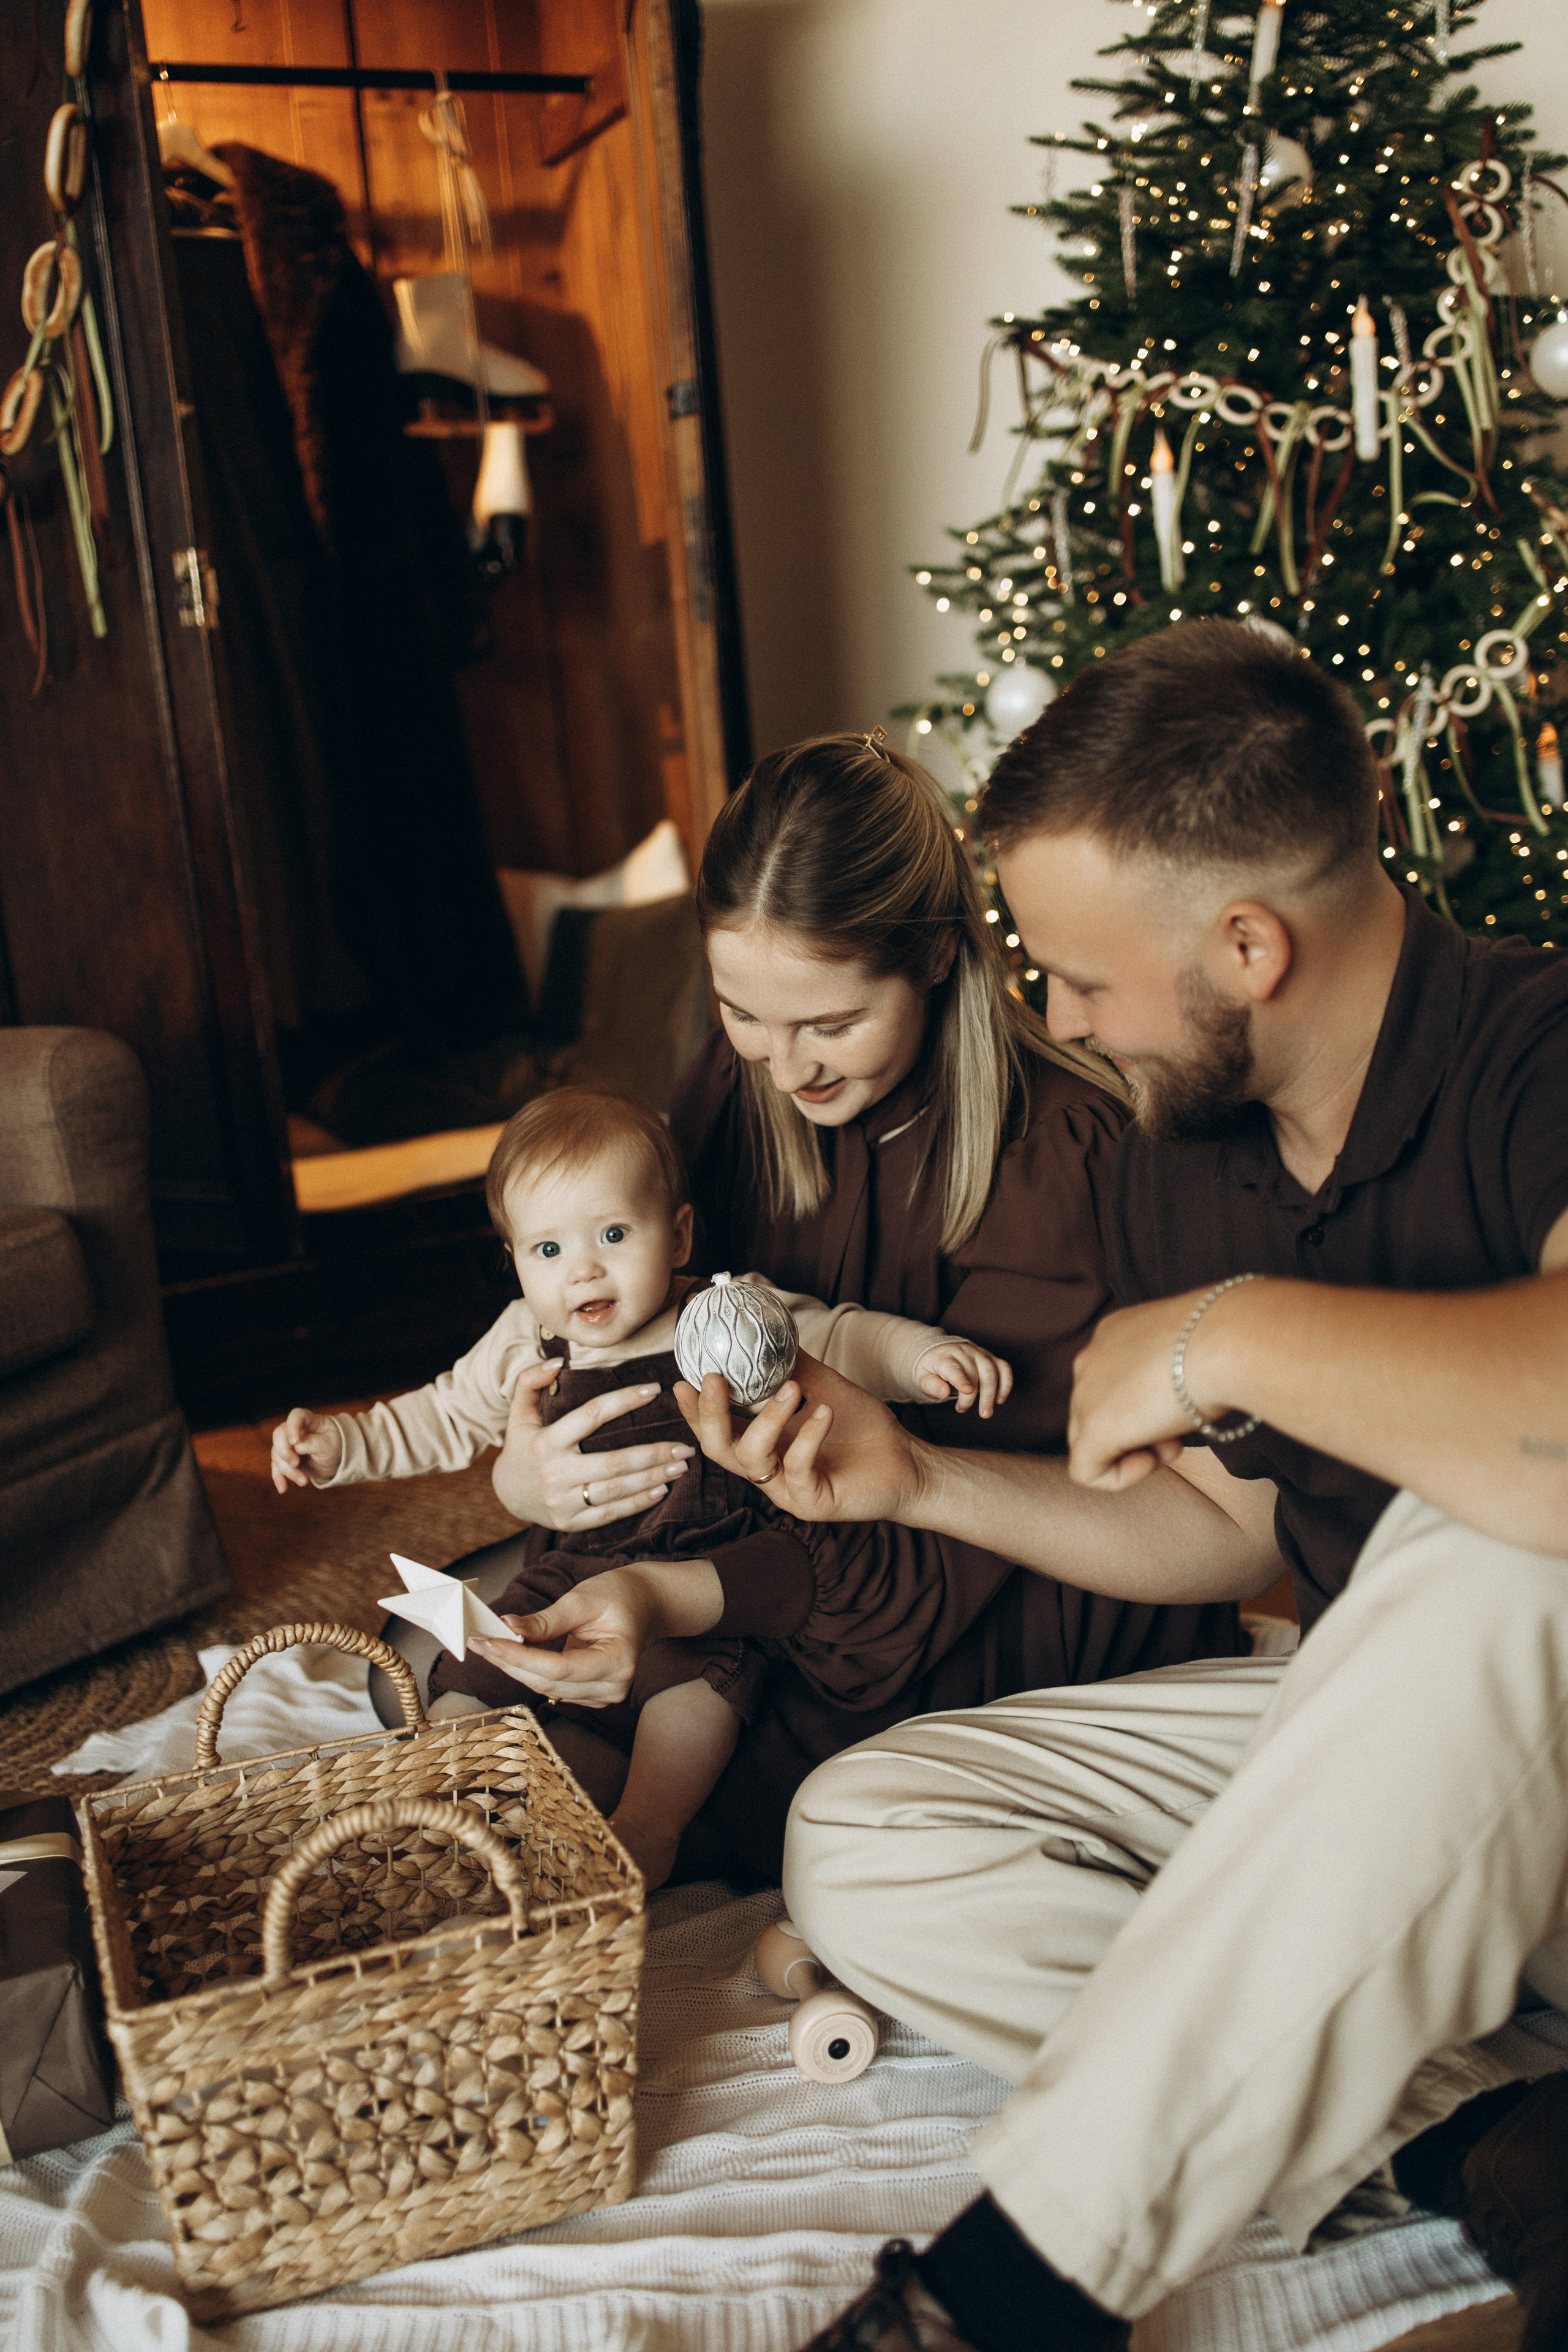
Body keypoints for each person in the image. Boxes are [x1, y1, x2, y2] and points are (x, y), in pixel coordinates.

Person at [508, 625, 1568, 2350]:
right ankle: (1480, 2131)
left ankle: (1008, 2293)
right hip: (1382, 1760)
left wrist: (1232, 1334)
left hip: (1536, 1721)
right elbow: (1218, 1534)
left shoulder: (1538, 1053)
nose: (1054, 1015)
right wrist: (914, 1475)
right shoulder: (1190, 1155)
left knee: (1501, 1547)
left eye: (1077, 975)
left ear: (1247, 947)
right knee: (860, 1834)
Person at [465, 733, 1242, 1875]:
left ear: (934, 956)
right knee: (452, 1656)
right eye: (744, 1012)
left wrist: (673, 1597)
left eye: (831, 1025)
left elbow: (940, 1530)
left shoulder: (1062, 1158)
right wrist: (530, 1479)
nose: (789, 1069)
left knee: (677, 1768)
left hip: (976, 1595)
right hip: (761, 1540)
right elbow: (637, 1320)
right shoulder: (741, 1080)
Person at [270, 1084, 1008, 1885]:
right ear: (513, 1259)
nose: (583, 1269)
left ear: (679, 1234)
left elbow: (840, 1339)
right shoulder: (526, 1340)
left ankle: (648, 1829)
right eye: (547, 1250)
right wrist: (344, 1445)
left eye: (614, 1234)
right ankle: (445, 1795)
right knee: (478, 1661)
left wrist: (919, 1358)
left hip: (705, 1571)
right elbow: (441, 1415)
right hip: (569, 1570)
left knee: (706, 1685)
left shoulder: (720, 1318)